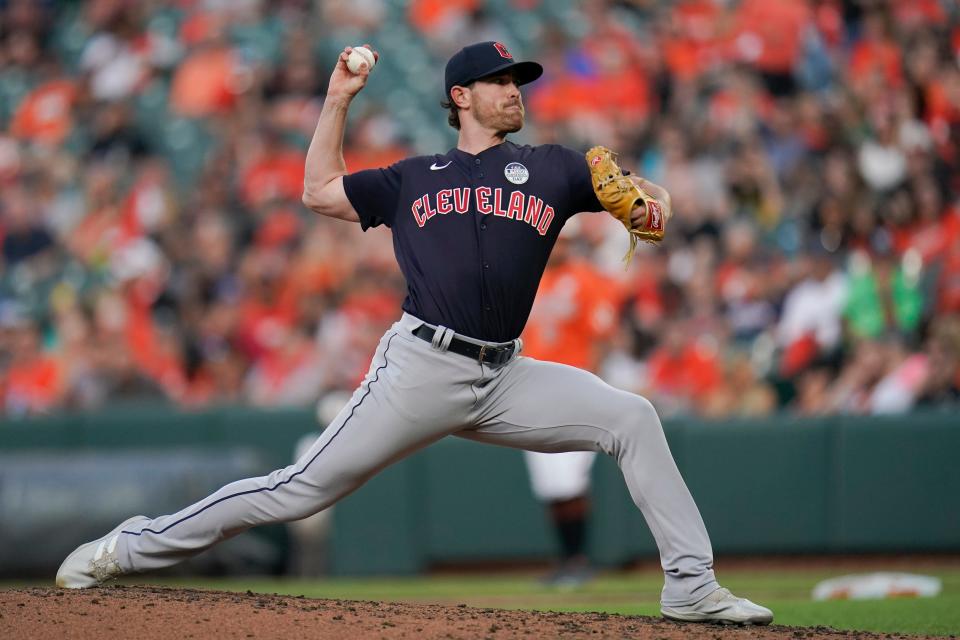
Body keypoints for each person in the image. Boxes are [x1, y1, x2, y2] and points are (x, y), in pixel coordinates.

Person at [56, 41, 773, 626]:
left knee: (632, 417)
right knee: (297, 490)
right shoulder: (413, 177)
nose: (513, 91)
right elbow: (318, 192)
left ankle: (690, 584)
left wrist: (646, 204)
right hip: (421, 368)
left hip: (507, 376)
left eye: (517, 81)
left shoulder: (555, 167)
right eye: (498, 82)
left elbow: (655, 210)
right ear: (460, 96)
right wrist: (337, 98)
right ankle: (128, 547)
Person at [520, 222, 620, 588]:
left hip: (572, 386)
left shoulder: (586, 279)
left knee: (568, 478)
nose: (557, 246)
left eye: (563, 240)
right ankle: (567, 560)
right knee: (549, 482)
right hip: (532, 388)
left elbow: (602, 337)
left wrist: (588, 385)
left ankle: (578, 560)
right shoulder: (530, 278)